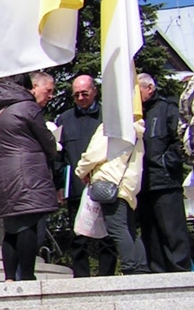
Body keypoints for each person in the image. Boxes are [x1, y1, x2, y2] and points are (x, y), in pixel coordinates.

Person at [0, 72, 58, 281]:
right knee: (28, 223)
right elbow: (47, 141)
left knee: (11, 227)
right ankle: (28, 276)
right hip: (27, 172)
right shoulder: (27, 106)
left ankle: (9, 277)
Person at [54, 76, 116, 277]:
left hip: (105, 185)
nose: (80, 98)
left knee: (107, 236)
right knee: (78, 237)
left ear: (94, 91)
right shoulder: (64, 119)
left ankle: (107, 277)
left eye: (85, 93)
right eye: (76, 95)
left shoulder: (108, 116)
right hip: (76, 187)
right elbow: (59, 155)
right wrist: (59, 185)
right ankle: (81, 277)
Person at [76, 117, 147, 275]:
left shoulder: (111, 125)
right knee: (129, 228)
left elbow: (94, 154)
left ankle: (130, 267)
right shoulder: (136, 129)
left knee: (117, 228)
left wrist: (80, 171)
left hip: (110, 181)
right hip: (128, 184)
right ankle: (141, 267)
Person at [136, 73, 192, 272]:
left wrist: (166, 163)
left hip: (165, 181)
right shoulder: (136, 115)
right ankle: (157, 274)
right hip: (142, 183)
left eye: (137, 91)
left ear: (149, 89)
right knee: (150, 234)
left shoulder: (166, 109)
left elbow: (180, 140)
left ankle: (181, 272)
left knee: (173, 232)